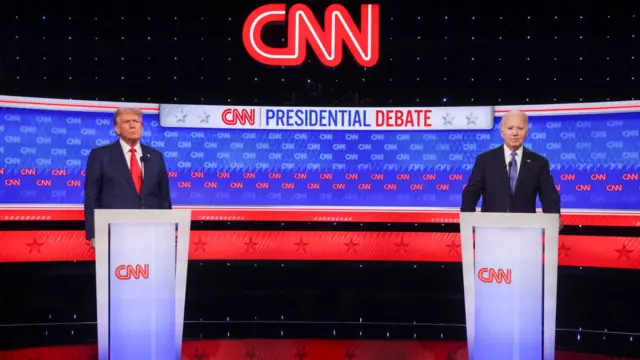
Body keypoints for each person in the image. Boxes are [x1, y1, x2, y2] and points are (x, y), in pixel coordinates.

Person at [84, 107, 172, 248]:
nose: (132, 125)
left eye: (136, 121)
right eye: (127, 122)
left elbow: (164, 197)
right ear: (117, 129)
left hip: (151, 231)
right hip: (114, 231)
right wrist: (93, 233)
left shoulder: (156, 156)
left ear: (141, 127)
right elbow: (92, 197)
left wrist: (169, 229)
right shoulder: (100, 155)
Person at [460, 110, 561, 225]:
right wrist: (467, 219)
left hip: (526, 229)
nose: (515, 133)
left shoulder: (539, 162)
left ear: (527, 132)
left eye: (520, 128)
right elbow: (471, 193)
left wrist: (554, 219)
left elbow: (549, 195)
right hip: (491, 228)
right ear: (502, 132)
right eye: (510, 128)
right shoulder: (485, 160)